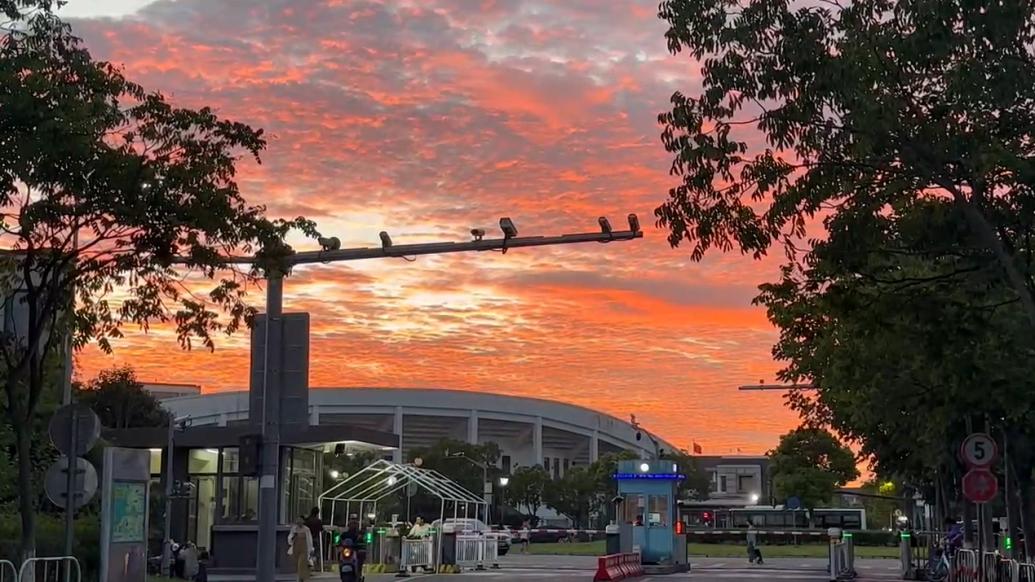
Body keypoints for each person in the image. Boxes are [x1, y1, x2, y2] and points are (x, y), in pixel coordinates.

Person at [288, 516, 314, 581]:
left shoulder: (306, 529)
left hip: (304, 549)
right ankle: (301, 577)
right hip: (296, 548)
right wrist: (293, 538)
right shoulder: (294, 529)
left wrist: (311, 549)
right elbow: (290, 538)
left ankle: (300, 578)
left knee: (301, 563)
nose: (299, 522)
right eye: (298, 521)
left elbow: (309, 540)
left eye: (301, 521)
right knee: (297, 564)